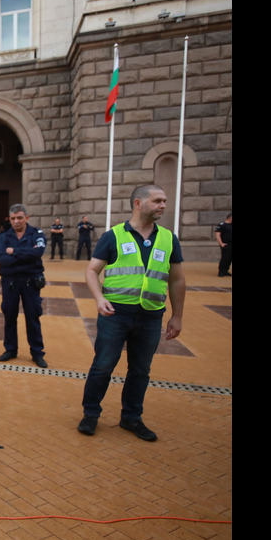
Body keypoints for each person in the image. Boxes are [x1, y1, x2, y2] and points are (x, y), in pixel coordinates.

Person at [78, 184, 185, 442]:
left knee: (140, 370)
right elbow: (92, 270)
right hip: (115, 314)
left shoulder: (169, 239)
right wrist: (99, 298)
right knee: (103, 366)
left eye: (164, 201)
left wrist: (177, 316)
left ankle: (131, 417)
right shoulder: (113, 236)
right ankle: (91, 413)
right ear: (138, 203)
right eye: (158, 200)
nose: (163, 205)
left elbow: (177, 280)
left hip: (151, 316)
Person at [0, 204, 48, 368]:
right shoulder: (4, 236)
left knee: (33, 317)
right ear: (9, 219)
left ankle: (37, 352)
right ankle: (10, 349)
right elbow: (2, 258)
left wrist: (14, 252)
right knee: (9, 315)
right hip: (10, 283)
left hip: (30, 282)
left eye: (19, 217)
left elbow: (38, 252)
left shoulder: (36, 234)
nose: (16, 221)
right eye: (13, 218)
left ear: (27, 218)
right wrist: (26, 255)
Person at [215, 213, 232, 277]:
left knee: (229, 259)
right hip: (225, 244)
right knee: (225, 258)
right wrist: (221, 243)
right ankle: (221, 271)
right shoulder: (222, 225)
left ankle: (225, 271)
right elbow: (217, 234)